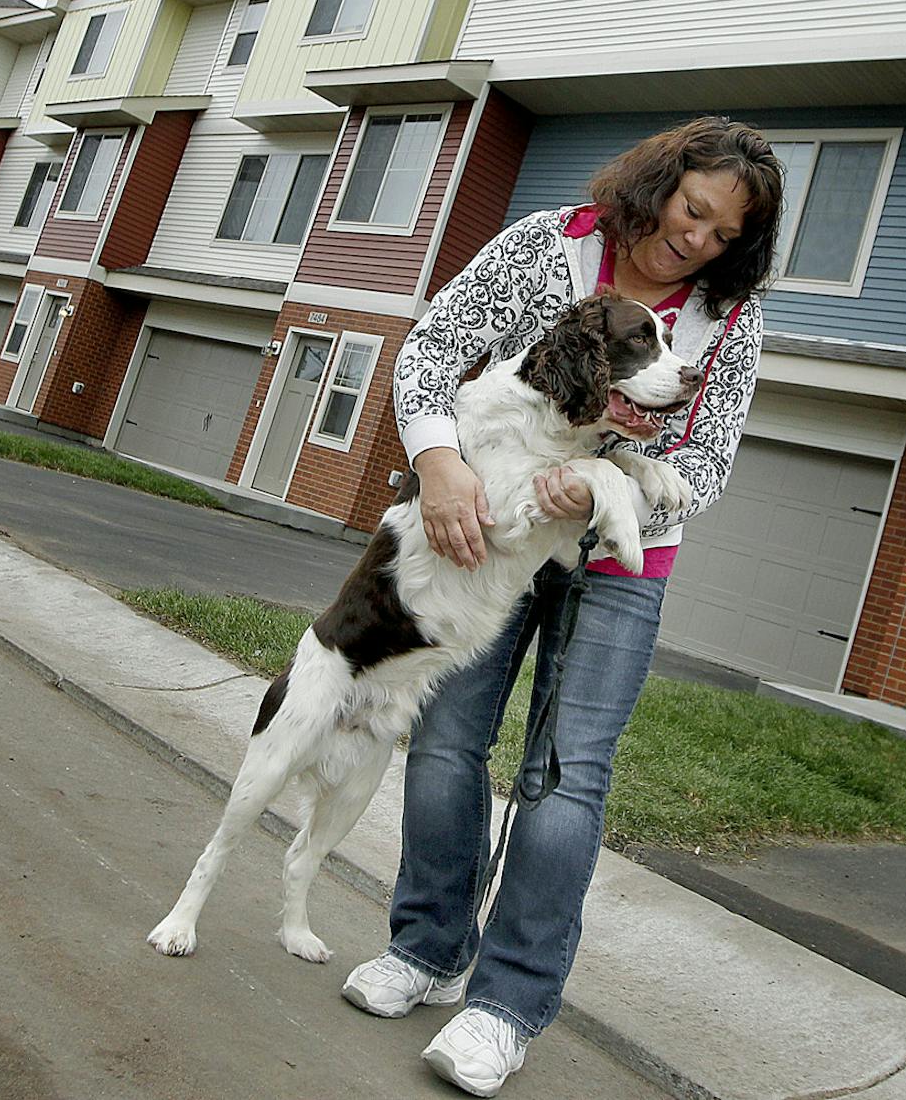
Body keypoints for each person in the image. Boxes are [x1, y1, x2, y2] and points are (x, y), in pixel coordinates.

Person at [343, 116, 785, 1096]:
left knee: (564, 778)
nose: (699, 240)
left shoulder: (729, 316)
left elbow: (704, 464)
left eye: (725, 233)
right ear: (659, 183)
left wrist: (603, 480)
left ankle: (504, 1006)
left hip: (621, 561)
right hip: (492, 531)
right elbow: (429, 351)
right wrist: (440, 460)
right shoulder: (548, 245)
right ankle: (426, 949)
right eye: (692, 210)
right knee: (448, 739)